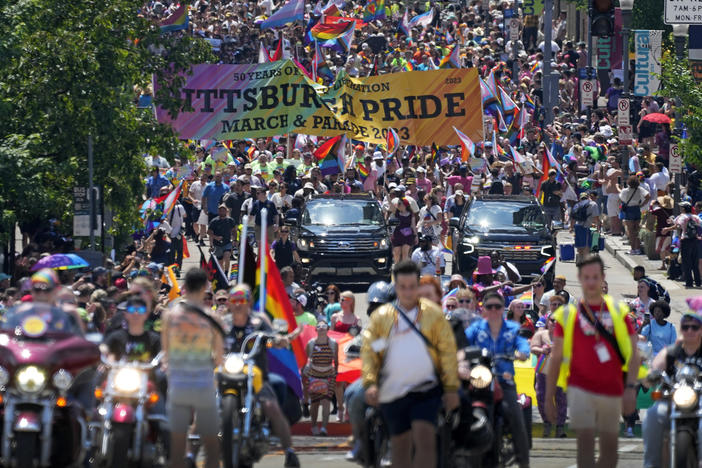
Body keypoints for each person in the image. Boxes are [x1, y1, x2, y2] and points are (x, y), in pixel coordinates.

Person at [361, 260, 459, 468]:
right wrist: (370, 383)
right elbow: (371, 350)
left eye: (412, 287)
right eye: (402, 287)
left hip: (426, 389)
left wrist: (450, 387)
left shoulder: (433, 315)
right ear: (396, 287)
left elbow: (447, 351)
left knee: (425, 438)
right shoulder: (382, 317)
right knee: (401, 444)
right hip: (392, 390)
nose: (407, 292)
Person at [545, 255, 640, 468]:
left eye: (595, 277)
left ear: (602, 278)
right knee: (585, 447)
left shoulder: (619, 311)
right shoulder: (568, 314)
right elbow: (556, 356)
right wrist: (548, 396)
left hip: (612, 388)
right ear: (579, 278)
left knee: (610, 454)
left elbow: (634, 353)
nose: (590, 282)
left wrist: (630, 388)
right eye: (586, 277)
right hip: (580, 388)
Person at [225, 284, 300, 467]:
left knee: (271, 406)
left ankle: (289, 452)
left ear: (249, 301)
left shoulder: (258, 321)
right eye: (234, 300)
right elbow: (211, 339)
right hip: (228, 374)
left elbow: (273, 338)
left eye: (242, 300)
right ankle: (189, 452)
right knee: (204, 402)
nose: (238, 304)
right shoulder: (223, 323)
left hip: (255, 374)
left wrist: (280, 340)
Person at [161, 268, 224, 468]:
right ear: (206, 287)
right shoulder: (213, 319)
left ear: (185, 287)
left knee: (178, 444)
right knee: (211, 444)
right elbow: (219, 358)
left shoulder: (170, 317)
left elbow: (166, 353)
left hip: (178, 384)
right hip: (203, 383)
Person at [465, 292, 531, 467]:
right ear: (483, 309)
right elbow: (461, 343)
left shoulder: (512, 328)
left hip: (504, 381)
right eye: (489, 307)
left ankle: (524, 462)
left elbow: (522, 344)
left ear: (503, 309)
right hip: (479, 381)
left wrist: (522, 352)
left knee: (517, 420)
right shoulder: (475, 329)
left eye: (498, 307)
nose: (494, 310)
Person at [642, 298, 702, 468]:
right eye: (686, 327)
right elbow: (656, 366)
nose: (689, 330)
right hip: (673, 399)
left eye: (695, 327)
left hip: (701, 401)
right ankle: (651, 464)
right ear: (681, 329)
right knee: (653, 415)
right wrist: (652, 374)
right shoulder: (672, 352)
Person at [531, 296, 567, 438]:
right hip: (543, 371)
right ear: (547, 321)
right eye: (552, 320)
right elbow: (533, 348)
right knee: (541, 396)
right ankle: (547, 424)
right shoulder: (541, 334)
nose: (555, 323)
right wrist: (542, 350)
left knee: (561, 399)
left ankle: (560, 427)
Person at [303, 320, 339, 436]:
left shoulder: (333, 343)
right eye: (319, 326)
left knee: (326, 401)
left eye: (324, 326)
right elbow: (306, 358)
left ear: (328, 329)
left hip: (329, 375)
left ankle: (324, 428)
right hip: (314, 375)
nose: (322, 328)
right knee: (315, 403)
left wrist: (336, 373)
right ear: (316, 329)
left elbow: (336, 361)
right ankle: (313, 426)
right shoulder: (311, 343)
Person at [663, 201, 701, 288]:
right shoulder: (695, 217)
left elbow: (677, 226)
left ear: (683, 209)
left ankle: (689, 282)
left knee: (686, 263)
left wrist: (667, 229)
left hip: (685, 241)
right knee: (695, 262)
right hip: (695, 240)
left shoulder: (682, 217)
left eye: (681, 207)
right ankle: (698, 282)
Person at [619, 175, 650, 255]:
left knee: (631, 231)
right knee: (637, 230)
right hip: (637, 209)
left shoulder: (625, 190)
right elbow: (648, 196)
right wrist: (642, 205)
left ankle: (633, 249)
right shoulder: (640, 189)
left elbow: (621, 199)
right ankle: (638, 248)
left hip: (629, 210)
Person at [570, 191, 601, 263]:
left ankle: (581, 258)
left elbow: (573, 218)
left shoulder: (577, 205)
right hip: (590, 225)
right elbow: (596, 218)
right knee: (588, 243)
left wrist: (571, 228)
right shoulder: (593, 204)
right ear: (588, 197)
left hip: (578, 226)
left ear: (580, 198)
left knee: (580, 243)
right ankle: (587, 260)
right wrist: (598, 228)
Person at [207, 204, 237, 275]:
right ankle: (222, 274)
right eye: (220, 210)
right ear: (218, 211)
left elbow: (234, 230)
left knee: (227, 257)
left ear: (226, 211)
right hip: (217, 245)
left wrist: (235, 240)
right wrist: (216, 237)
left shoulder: (230, 220)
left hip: (227, 243)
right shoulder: (214, 221)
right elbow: (209, 232)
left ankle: (226, 273)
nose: (222, 212)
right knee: (220, 262)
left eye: (223, 210)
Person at [390, 197, 417, 263]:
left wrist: (416, 236)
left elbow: (413, 225)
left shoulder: (411, 214)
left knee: (405, 253)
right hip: (397, 235)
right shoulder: (397, 213)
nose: (398, 205)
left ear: (404, 205)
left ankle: (404, 269)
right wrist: (387, 194)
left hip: (407, 236)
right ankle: (397, 268)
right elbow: (391, 205)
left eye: (399, 203)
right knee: (396, 253)